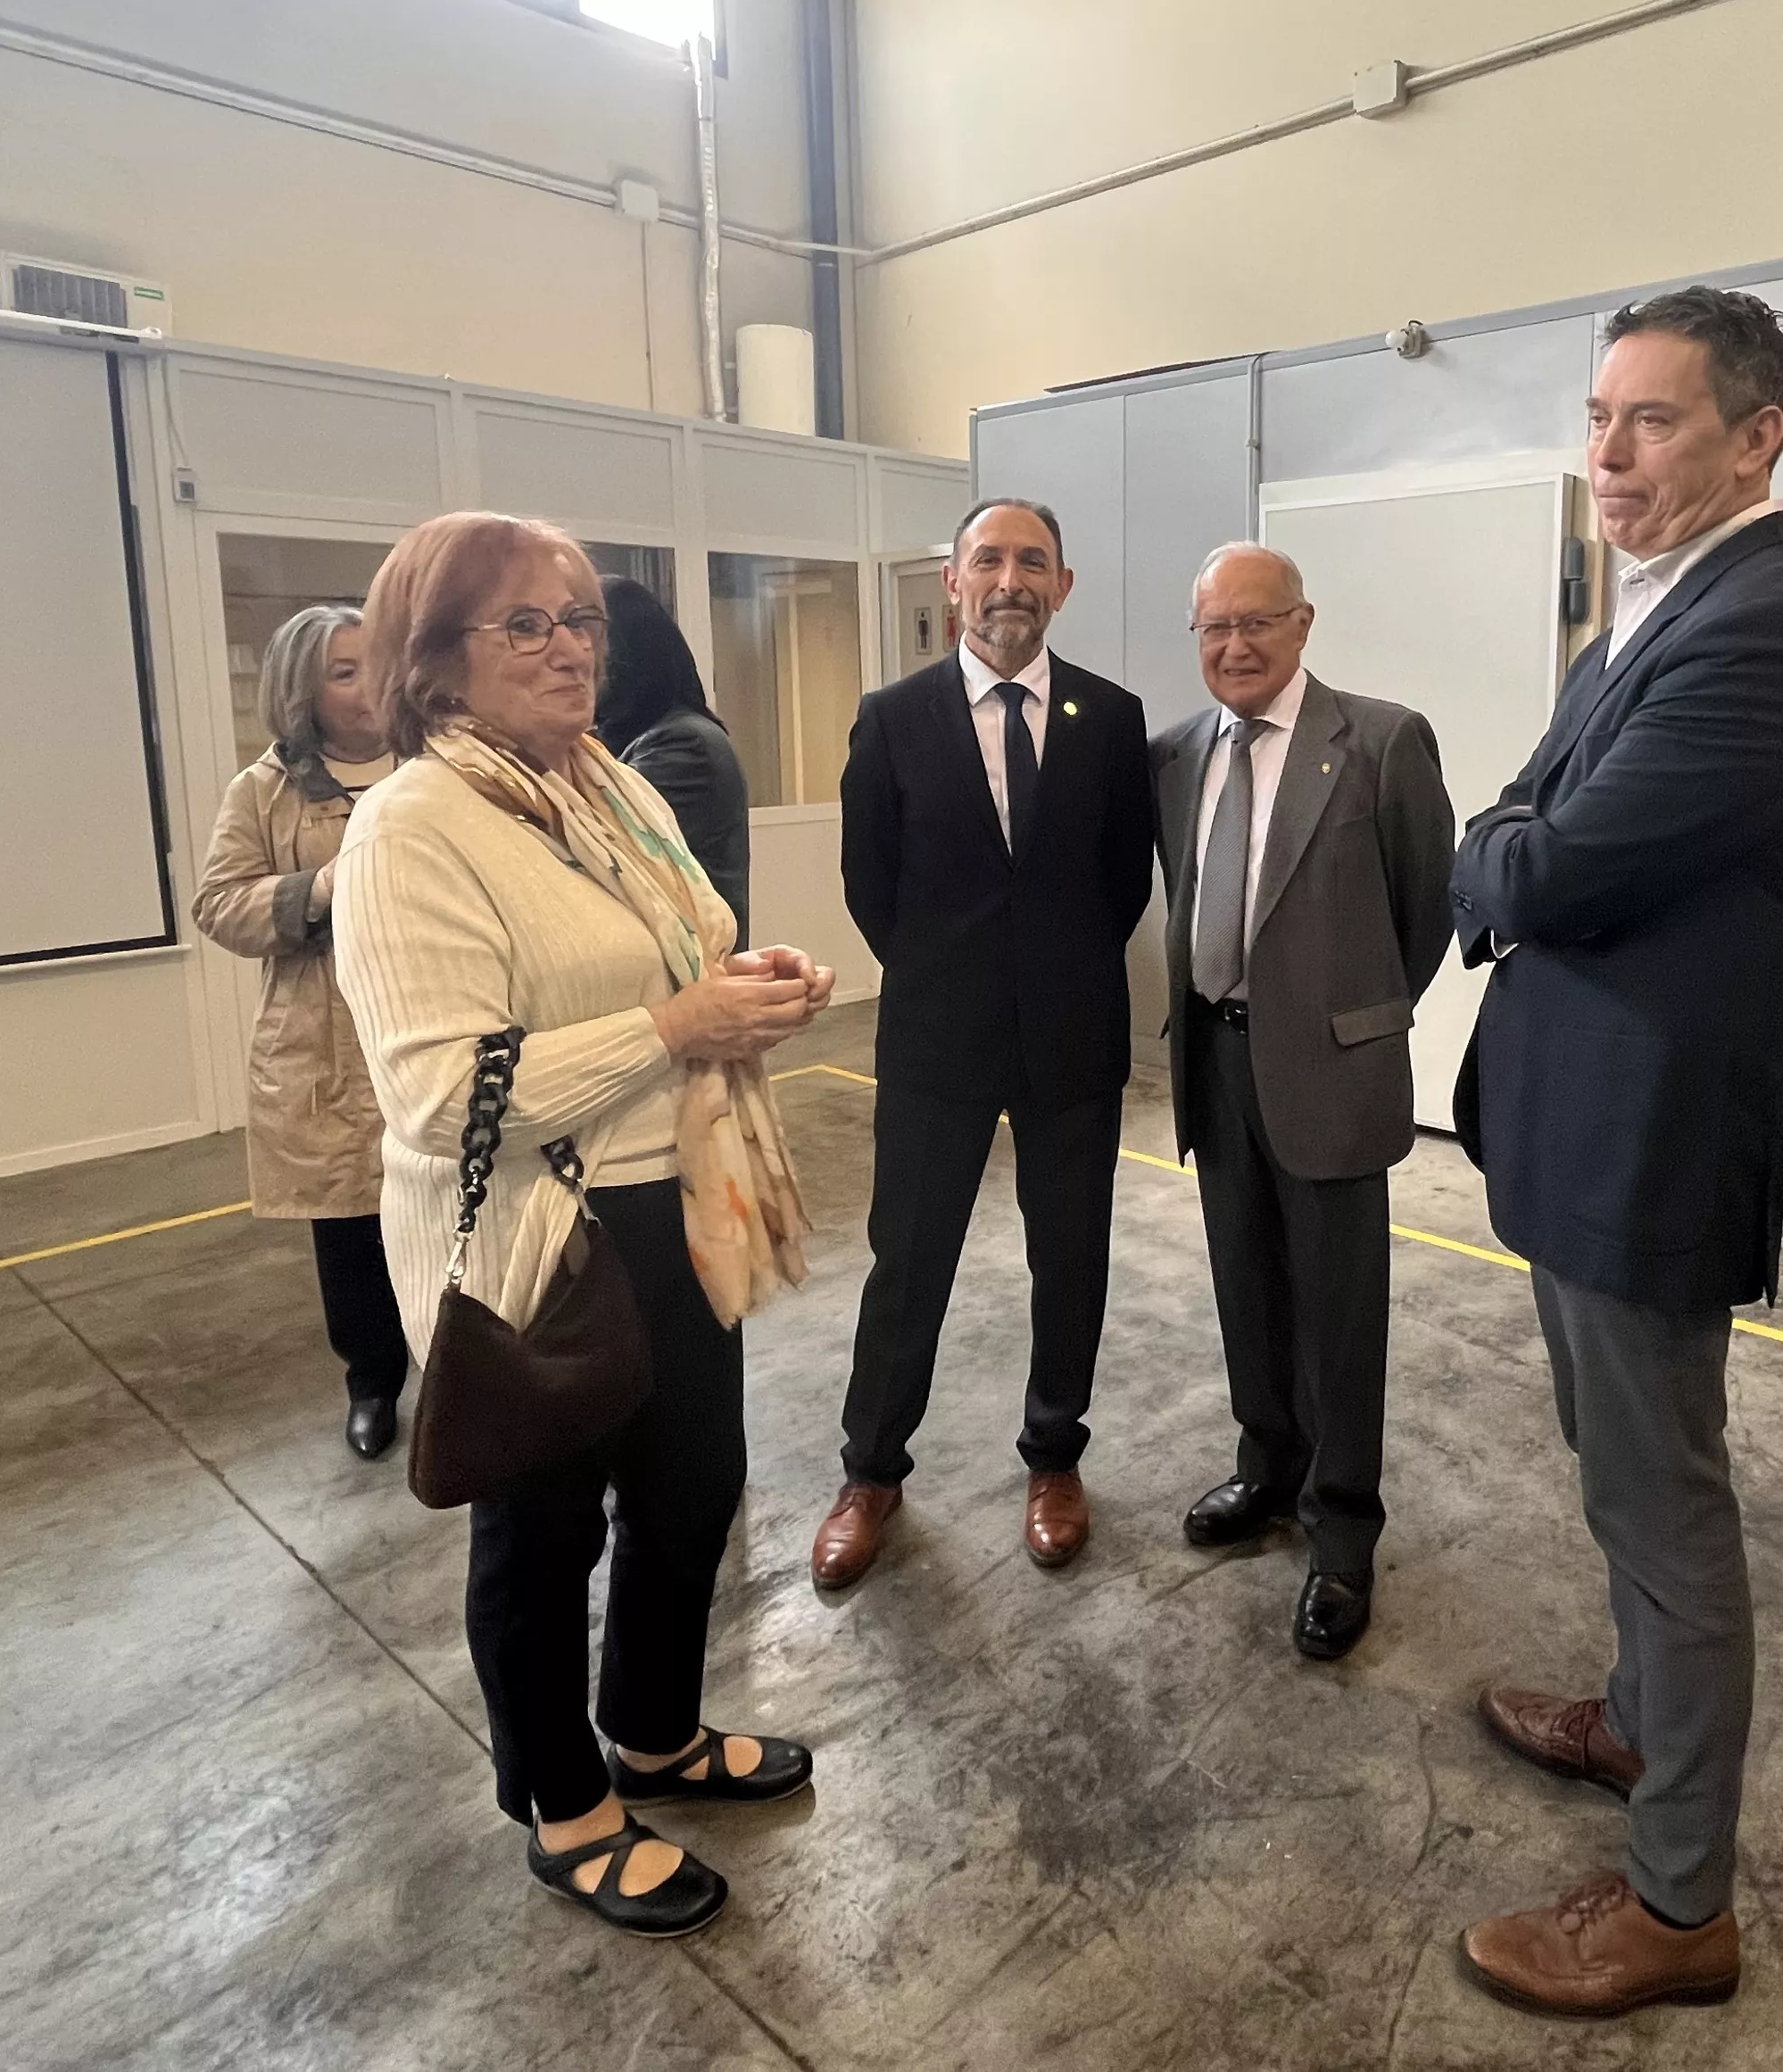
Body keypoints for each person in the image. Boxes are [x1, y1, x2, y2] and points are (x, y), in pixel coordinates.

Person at [1446, 287, 1783, 2018]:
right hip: (1576, 1132)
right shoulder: (1650, 617)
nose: (1606, 454)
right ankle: (1635, 1723)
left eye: (1652, 420)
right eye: (1597, 416)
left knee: (1663, 1502)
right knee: (1616, 1470)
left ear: (1755, 433)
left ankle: (1677, 1901)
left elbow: (1530, 867)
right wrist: (1511, 835)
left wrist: (1502, 847)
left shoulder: (1763, 628)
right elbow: (1525, 815)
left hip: (1646, 1145)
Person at [333, 510, 832, 1939]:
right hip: (535, 1234)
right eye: (525, 625)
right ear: (435, 663)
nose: (569, 647)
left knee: (693, 1490)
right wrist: (678, 1023)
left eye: (581, 620)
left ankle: (658, 1732)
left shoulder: (607, 785)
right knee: (542, 1537)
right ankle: (567, 1803)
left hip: (676, 1197)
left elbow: (673, 959)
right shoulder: (411, 827)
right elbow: (439, 1094)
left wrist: (744, 986)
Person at [809, 498, 1155, 1589]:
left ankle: (1055, 1459)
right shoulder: (891, 715)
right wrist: (951, 973)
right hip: (935, 1041)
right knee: (908, 1263)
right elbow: (872, 886)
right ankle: (871, 1472)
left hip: (1071, 1039)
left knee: (1071, 1261)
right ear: (953, 582)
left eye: (1032, 562)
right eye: (989, 559)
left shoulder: (1112, 716)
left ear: (1062, 584)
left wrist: (1052, 971)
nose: (1010, 579)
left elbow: (1121, 880)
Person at [1150, 543, 1453, 1662]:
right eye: (1213, 628)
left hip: (1327, 1067)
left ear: (1303, 623)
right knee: (1246, 1288)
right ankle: (1266, 1468)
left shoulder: (1378, 741)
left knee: (1337, 1312)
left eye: (1257, 623)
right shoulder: (1176, 755)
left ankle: (1341, 1532)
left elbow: (1424, 910)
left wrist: (1352, 1020)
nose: (1234, 646)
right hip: (1215, 1064)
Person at [191, 604, 412, 1460]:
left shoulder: (436, 768)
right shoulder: (264, 791)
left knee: (456, 1204)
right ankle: (372, 1380)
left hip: (428, 1022)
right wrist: (318, 891)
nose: (368, 687)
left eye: (374, 664)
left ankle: (466, 1367)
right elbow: (218, 902)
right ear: (302, 692)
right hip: (326, 1042)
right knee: (351, 1227)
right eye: (343, 673)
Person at [594, 575, 752, 942]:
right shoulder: (652, 735)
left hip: (692, 977)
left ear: (625, 660)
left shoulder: (684, 745)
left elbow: (600, 853)